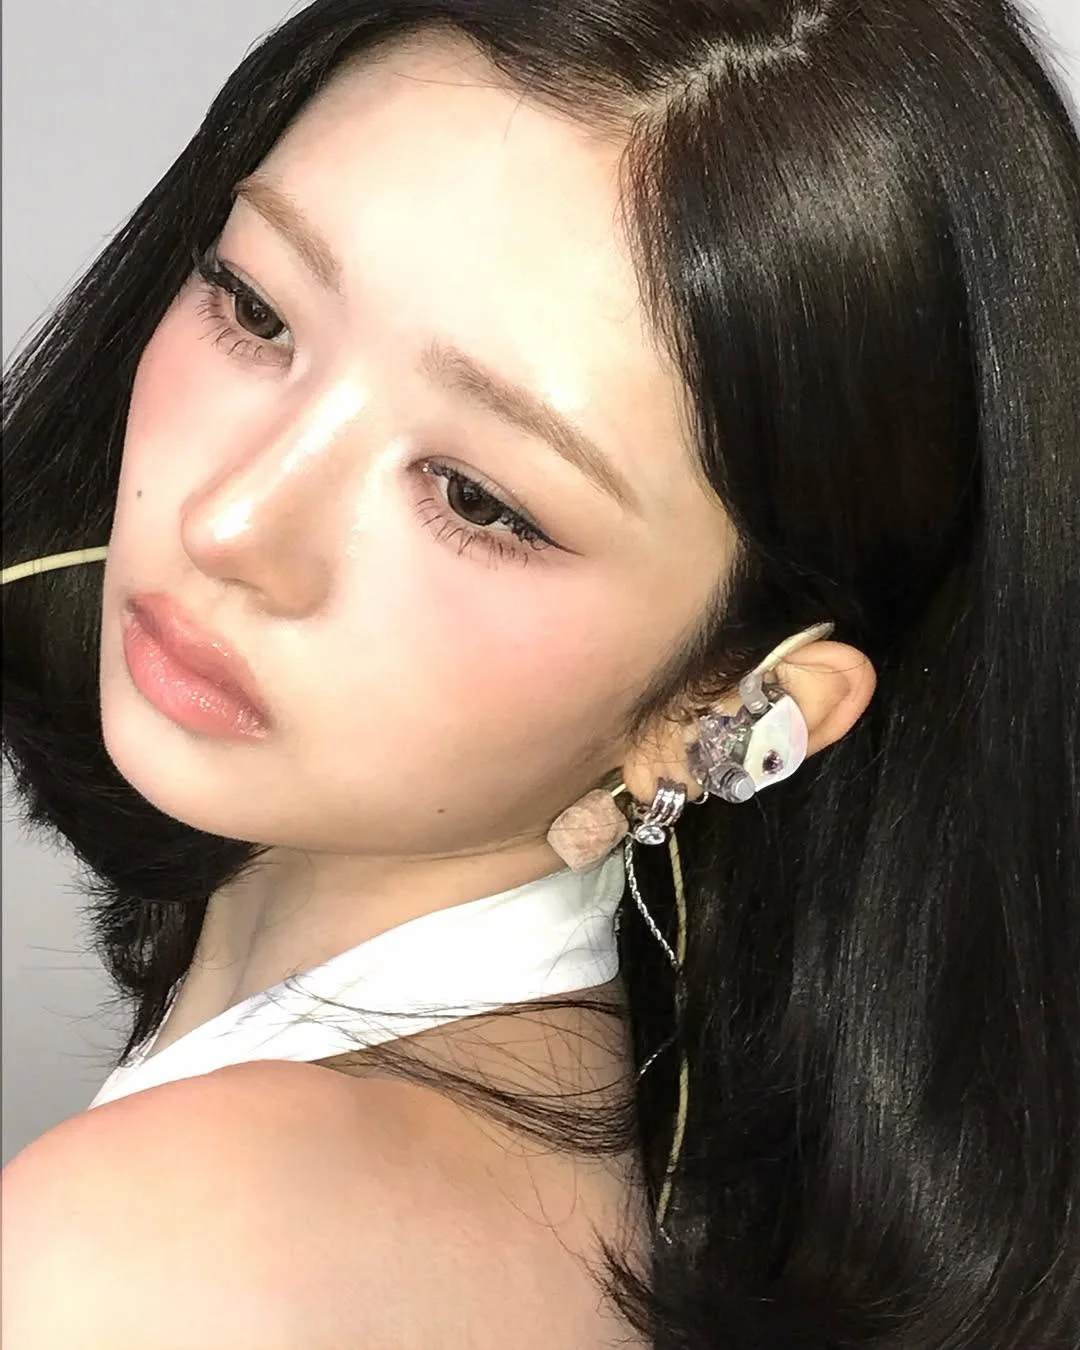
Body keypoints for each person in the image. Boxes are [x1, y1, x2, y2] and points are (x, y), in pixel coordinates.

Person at [2, 1, 1078, 1346]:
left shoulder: (155, 1254)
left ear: (733, 706)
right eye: (257, 308)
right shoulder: (563, 1185)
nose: (233, 524)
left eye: (478, 498)